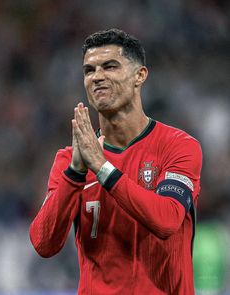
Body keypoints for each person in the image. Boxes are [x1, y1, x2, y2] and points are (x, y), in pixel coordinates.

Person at [29, 28, 202, 295]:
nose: (97, 76)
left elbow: (167, 220)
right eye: (89, 70)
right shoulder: (69, 161)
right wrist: (75, 173)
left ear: (139, 75)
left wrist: (102, 168)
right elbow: (44, 244)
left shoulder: (178, 146)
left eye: (110, 66)